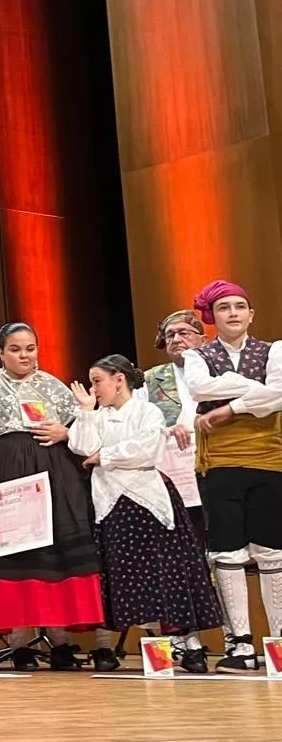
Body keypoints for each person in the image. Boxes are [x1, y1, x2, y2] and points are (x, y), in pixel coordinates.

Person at [0, 322, 102, 669]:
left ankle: (61, 642)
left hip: (55, 478)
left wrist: (65, 431)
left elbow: (83, 432)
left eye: (30, 348)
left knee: (55, 556)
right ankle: (20, 643)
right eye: (16, 349)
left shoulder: (55, 388)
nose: (24, 355)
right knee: (17, 557)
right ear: (1, 353)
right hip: (9, 476)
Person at [68, 355, 222, 673]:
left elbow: (147, 449)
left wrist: (105, 455)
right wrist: (85, 413)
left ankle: (190, 646)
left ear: (118, 379)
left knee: (167, 572)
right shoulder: (96, 415)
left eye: (97, 381)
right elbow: (82, 447)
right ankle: (103, 648)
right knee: (113, 572)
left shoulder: (147, 411)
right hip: (110, 502)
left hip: (147, 500)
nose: (94, 388)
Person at [181, 279, 282, 673]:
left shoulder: (275, 350)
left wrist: (229, 408)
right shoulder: (197, 356)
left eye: (240, 306)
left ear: (251, 314)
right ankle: (240, 643)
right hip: (220, 462)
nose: (234, 313)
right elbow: (199, 388)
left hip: (269, 460)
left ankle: (277, 640)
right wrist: (256, 395)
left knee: (272, 551)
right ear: (213, 317)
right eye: (224, 308)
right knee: (228, 550)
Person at [138, 310, 207, 544]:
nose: (176, 339)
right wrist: (164, 429)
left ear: (203, 339)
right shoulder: (149, 379)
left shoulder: (220, 371)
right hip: (176, 470)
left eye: (184, 333)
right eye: (170, 335)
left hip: (219, 460)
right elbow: (137, 423)